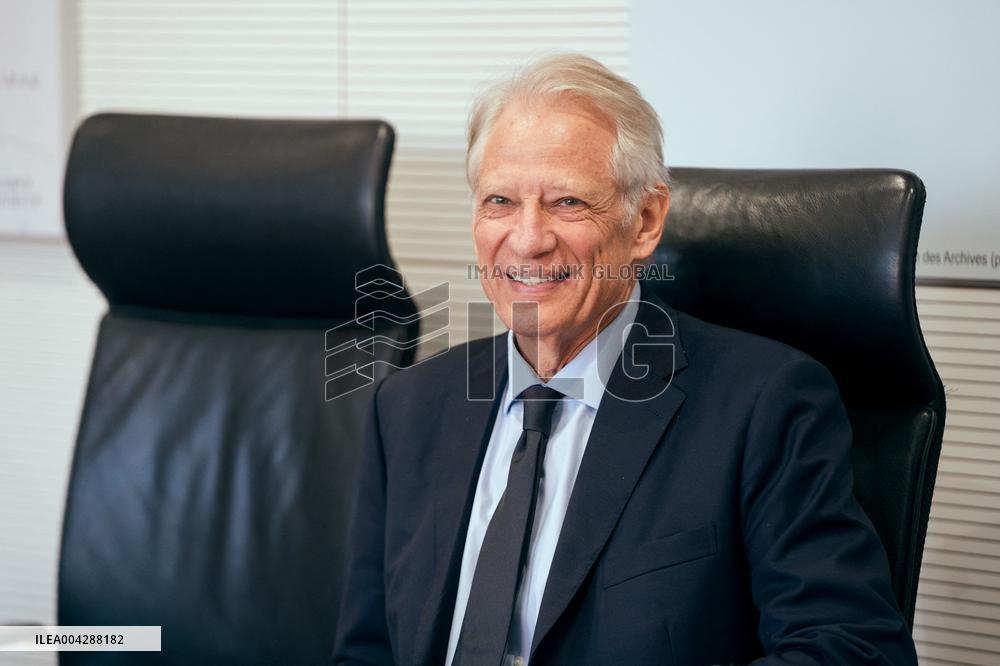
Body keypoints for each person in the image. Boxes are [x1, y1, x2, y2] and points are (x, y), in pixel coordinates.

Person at [333, 53, 917, 665]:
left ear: (644, 221)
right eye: (500, 200)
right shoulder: (410, 406)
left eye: (567, 203)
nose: (527, 239)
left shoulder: (765, 404)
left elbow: (853, 650)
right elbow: (367, 650)